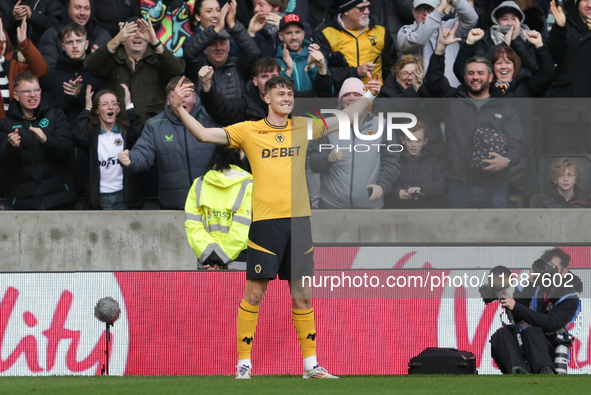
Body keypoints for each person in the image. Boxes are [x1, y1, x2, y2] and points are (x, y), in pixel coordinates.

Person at [170, 70, 382, 378]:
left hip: (299, 223)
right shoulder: (249, 130)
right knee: (255, 294)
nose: (287, 98)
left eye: (290, 94)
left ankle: (311, 366)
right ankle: (244, 363)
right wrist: (178, 108)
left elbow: (346, 118)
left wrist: (369, 96)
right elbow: (204, 134)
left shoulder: (303, 127)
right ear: (266, 98)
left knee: (302, 294)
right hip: (266, 224)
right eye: (280, 94)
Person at [424, 21, 523, 208]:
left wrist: (507, 160)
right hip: (459, 182)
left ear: (490, 77)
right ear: (465, 76)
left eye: (480, 73)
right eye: (470, 73)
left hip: (495, 183)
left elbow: (516, 143)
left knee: (496, 234)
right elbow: (433, 80)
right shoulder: (452, 101)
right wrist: (440, 49)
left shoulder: (504, 107)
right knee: (459, 236)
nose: (475, 77)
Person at [117, 76, 216, 210]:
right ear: (168, 101)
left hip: (212, 204)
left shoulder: (211, 120)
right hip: (174, 206)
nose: (180, 101)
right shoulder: (155, 125)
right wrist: (131, 159)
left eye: (186, 95)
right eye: (175, 96)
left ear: (195, 98)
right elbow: (143, 153)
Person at [308, 77, 401, 209]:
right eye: (346, 94)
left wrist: (382, 186)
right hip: (332, 206)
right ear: (341, 99)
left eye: (357, 94)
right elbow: (314, 163)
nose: (351, 98)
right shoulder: (327, 125)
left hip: (370, 206)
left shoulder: (381, 124)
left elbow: (392, 161)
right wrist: (328, 159)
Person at [491, 248, 583, 374]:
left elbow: (550, 323)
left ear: (564, 272)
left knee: (533, 332)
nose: (548, 273)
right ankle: (518, 372)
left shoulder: (570, 298)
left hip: (549, 350)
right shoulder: (530, 287)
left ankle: (544, 371)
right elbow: (516, 317)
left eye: (552, 269)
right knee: (501, 335)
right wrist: (531, 282)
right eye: (545, 268)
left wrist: (516, 306)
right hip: (523, 344)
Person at [84, 16, 185, 122]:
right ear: (123, 39)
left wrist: (155, 42)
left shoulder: (159, 59)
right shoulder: (112, 58)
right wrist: (116, 39)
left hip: (151, 129)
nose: (137, 36)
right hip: (118, 128)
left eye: (142, 32)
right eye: (132, 32)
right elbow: (89, 65)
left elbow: (177, 71)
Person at [0, 72, 77, 209]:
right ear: (16, 96)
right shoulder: (5, 124)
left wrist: (46, 141)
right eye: (26, 91)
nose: (33, 94)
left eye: (36, 90)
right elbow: (5, 163)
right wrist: (12, 147)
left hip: (59, 200)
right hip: (24, 203)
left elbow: (67, 151)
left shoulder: (56, 115)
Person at [199, 57, 333, 125]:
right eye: (264, 76)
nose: (270, 81)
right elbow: (221, 109)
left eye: (273, 76)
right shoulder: (246, 103)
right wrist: (206, 85)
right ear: (255, 81)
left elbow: (320, 99)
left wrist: (322, 68)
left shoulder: (291, 100)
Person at [73, 84, 144, 209]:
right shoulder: (92, 135)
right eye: (104, 104)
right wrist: (87, 109)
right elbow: (79, 136)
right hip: (99, 197)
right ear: (97, 110)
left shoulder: (125, 133)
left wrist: (129, 106)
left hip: (123, 195)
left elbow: (139, 132)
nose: (110, 107)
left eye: (114, 103)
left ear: (118, 109)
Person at [185, 145, 252, 270]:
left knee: (207, 290)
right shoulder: (249, 185)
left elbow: (193, 226)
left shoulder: (199, 183)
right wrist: (220, 257)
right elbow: (242, 228)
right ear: (241, 154)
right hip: (238, 261)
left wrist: (210, 256)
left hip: (207, 262)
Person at [184, 0, 260, 97]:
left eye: (223, 43)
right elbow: (190, 53)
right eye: (213, 44)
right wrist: (217, 28)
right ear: (205, 49)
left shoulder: (238, 65)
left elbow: (253, 53)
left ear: (229, 46)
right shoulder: (199, 66)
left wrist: (232, 24)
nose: (219, 48)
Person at [314, 0, 396, 90]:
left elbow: (391, 69)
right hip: (342, 98)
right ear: (345, 11)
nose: (367, 11)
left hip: (376, 98)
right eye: (361, 8)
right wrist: (356, 72)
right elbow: (322, 72)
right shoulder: (325, 33)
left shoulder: (381, 31)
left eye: (368, 7)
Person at [546, 0, 591, 154]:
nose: (589, 4)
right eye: (585, 0)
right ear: (577, 3)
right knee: (560, 164)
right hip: (564, 108)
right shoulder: (565, 22)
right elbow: (552, 57)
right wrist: (559, 29)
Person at [397, 0, 477, 87]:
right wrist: (437, 13)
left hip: (453, 90)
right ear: (414, 12)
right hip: (421, 93)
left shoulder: (449, 26)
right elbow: (418, 39)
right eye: (421, 9)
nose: (425, 13)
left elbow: (472, 19)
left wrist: (455, 1)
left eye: (430, 9)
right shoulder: (406, 30)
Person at [41, 22, 102, 127]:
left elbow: (102, 110)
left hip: (91, 134)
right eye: (69, 42)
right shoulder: (50, 76)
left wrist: (80, 95)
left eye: (79, 41)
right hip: (60, 135)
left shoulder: (97, 74)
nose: (74, 46)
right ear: (63, 46)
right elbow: (46, 111)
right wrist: (69, 96)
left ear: (86, 44)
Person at [38, 0, 112, 71]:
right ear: (68, 9)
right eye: (77, 8)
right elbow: (49, 73)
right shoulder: (52, 35)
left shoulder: (103, 36)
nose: (82, 13)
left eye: (86, 8)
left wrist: (100, 61)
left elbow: (112, 72)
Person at [389, 120, 447, 208]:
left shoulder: (433, 162)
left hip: (426, 213)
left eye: (418, 141)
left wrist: (422, 189)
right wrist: (397, 193)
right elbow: (386, 186)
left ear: (425, 141)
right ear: (402, 140)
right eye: (409, 140)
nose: (414, 145)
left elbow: (442, 186)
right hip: (400, 213)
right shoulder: (396, 161)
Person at [0, 18, 48, 119]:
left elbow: (40, 71)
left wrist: (24, 44)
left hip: (13, 127)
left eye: (3, 41)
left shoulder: (12, 65)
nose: (1, 45)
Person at [275, 13, 328, 92]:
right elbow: (276, 94)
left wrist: (313, 67)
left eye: (297, 32)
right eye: (289, 33)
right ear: (280, 36)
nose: (294, 37)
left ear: (303, 34)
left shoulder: (316, 57)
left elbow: (327, 92)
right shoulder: (276, 63)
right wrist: (288, 71)